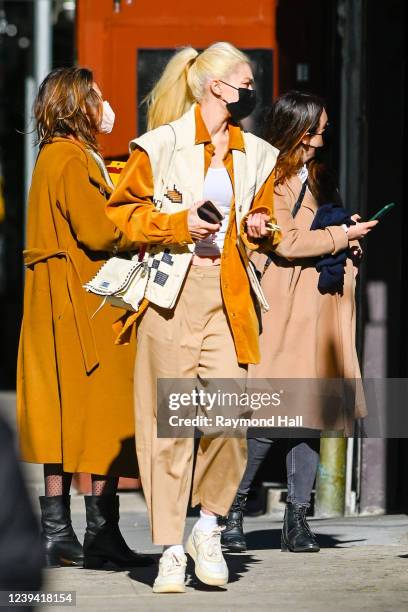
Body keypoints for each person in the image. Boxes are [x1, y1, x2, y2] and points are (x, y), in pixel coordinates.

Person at [106, 42, 281, 593]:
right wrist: (182, 224)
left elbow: (267, 217)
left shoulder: (256, 152)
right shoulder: (160, 146)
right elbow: (123, 216)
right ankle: (169, 549)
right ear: (216, 87)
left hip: (230, 296)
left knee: (230, 414)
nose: (253, 90)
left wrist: (259, 225)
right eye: (245, 81)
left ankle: (208, 525)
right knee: (170, 424)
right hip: (170, 297)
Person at [221, 90, 377, 554]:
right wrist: (339, 235)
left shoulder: (317, 176)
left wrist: (347, 239)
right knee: (270, 419)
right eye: (317, 130)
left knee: (308, 420)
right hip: (288, 313)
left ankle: (298, 519)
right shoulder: (273, 175)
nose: (322, 139)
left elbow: (317, 233)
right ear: (297, 129)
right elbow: (285, 242)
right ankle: (230, 510)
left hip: (319, 310)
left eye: (325, 130)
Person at [16, 67, 153, 570]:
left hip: (60, 302)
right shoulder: (72, 159)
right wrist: (144, 220)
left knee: (63, 419)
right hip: (85, 304)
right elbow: (97, 233)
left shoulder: (53, 156)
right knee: (104, 420)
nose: (104, 104)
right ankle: (100, 536)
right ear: (77, 105)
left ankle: (61, 533)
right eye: (96, 96)